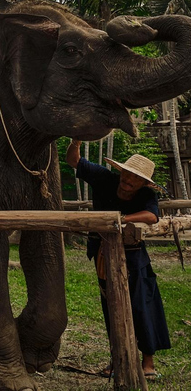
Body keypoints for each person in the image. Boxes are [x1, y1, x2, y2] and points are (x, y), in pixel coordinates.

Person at [66, 139, 171, 380]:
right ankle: (118, 358)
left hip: (135, 259)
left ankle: (148, 362)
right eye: (125, 178)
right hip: (103, 255)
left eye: (133, 183)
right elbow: (74, 160)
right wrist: (76, 140)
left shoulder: (145, 194)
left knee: (142, 307)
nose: (126, 185)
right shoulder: (104, 178)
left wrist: (121, 219)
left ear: (143, 183)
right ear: (120, 172)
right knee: (110, 307)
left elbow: (152, 217)